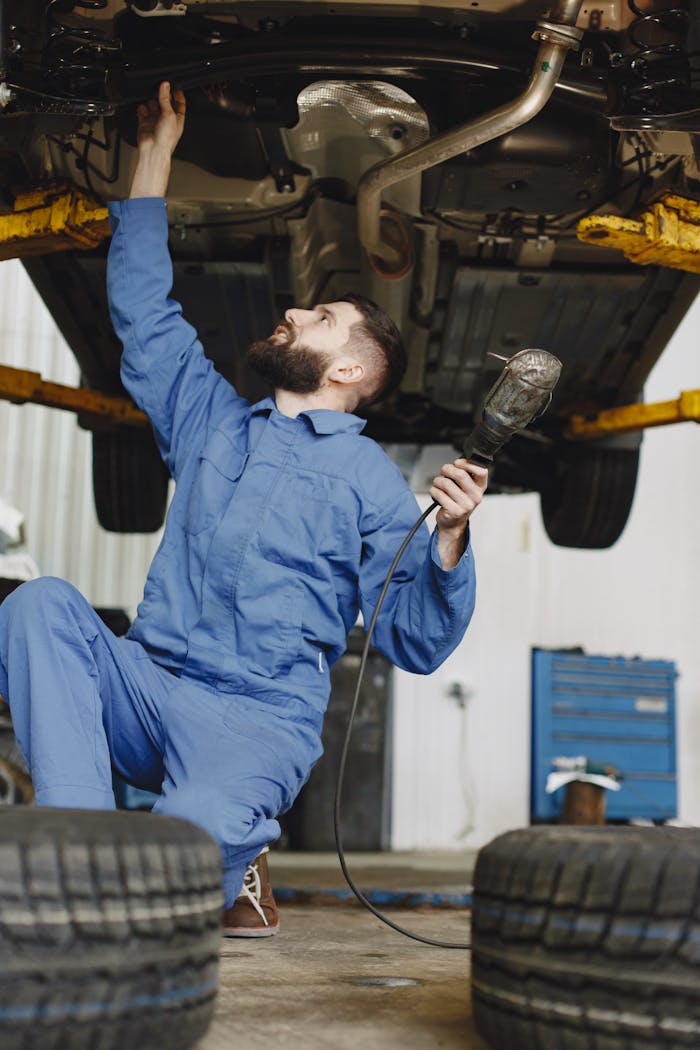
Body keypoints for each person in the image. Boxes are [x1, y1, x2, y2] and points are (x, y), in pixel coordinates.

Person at [0, 82, 488, 938]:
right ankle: (68, 839)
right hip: (148, 687)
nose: (295, 312)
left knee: (172, 865)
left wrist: (449, 539)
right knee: (40, 605)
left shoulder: (371, 483)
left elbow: (412, 637)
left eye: (321, 317)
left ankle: (229, 856)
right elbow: (147, 321)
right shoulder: (213, 423)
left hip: (254, 724)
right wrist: (152, 163)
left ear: (347, 372)